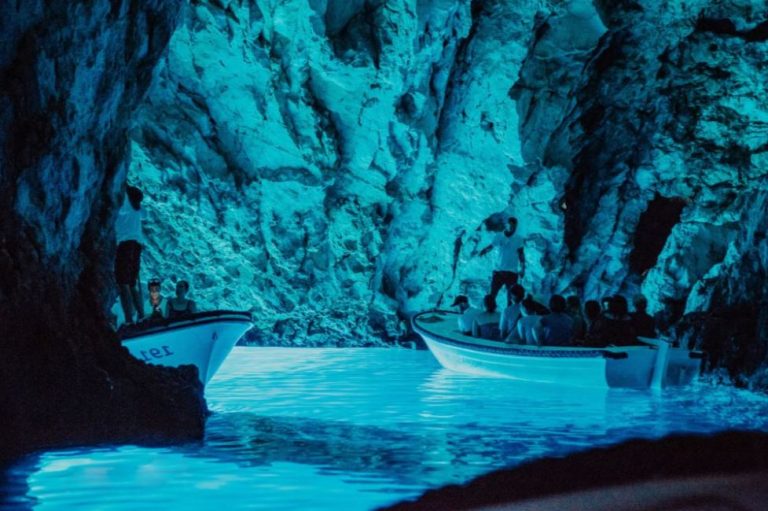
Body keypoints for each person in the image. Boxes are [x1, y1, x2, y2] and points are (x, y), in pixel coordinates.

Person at [115, 185, 146, 325]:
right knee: (132, 283)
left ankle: (129, 319)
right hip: (137, 245)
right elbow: (145, 215)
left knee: (123, 283)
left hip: (126, 244)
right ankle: (141, 315)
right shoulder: (139, 209)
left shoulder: (127, 204)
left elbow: (120, 207)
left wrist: (125, 185)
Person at [479, 217, 525, 306]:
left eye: (514, 226)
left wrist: (523, 269)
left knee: (512, 299)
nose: (512, 228)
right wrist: (484, 251)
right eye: (510, 225)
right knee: (492, 296)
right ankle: (489, 315)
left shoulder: (519, 239)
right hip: (498, 272)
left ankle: (509, 317)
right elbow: (491, 246)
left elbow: (521, 254)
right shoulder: (498, 236)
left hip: (512, 273)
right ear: (506, 225)